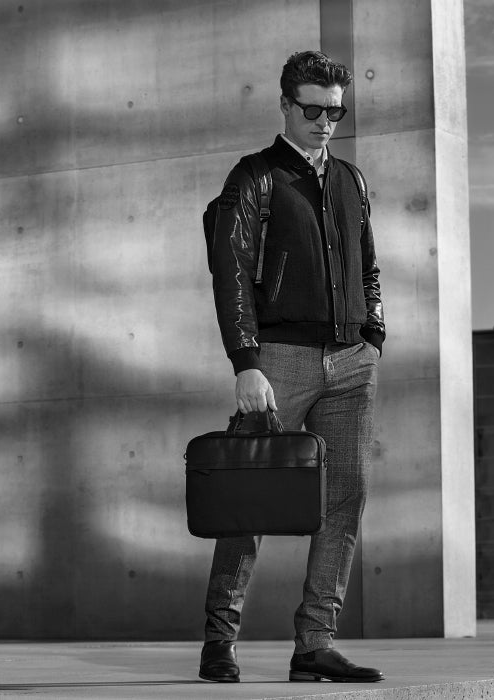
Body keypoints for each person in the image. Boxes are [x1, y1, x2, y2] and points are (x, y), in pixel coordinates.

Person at [199, 50, 385, 684]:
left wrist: (374, 333)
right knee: (250, 502)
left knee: (345, 499)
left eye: (336, 111)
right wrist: (246, 362)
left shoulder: (351, 181)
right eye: (313, 110)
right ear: (284, 105)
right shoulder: (255, 177)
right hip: (279, 359)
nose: (326, 122)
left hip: (352, 363)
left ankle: (314, 645)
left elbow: (369, 266)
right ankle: (220, 640)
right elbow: (230, 273)